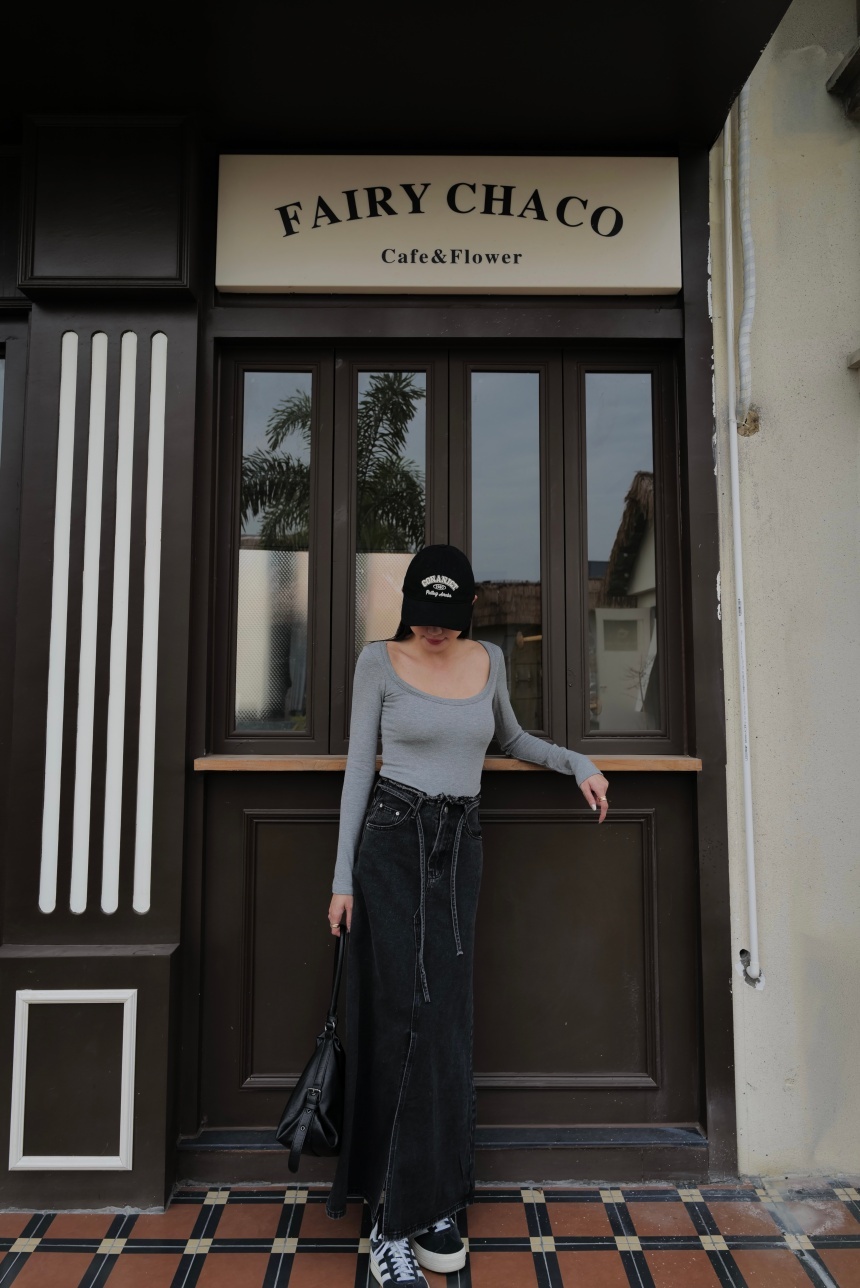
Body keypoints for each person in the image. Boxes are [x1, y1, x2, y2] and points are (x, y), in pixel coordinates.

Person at [324, 544, 610, 1287]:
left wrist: (577, 763)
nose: (434, 631)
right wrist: (342, 879)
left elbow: (510, 739)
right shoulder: (378, 663)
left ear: (469, 610)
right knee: (400, 1022)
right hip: (392, 845)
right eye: (423, 616)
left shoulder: (489, 659)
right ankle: (390, 1219)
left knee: (445, 1022)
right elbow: (358, 769)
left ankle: (434, 1201)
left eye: (446, 619)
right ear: (408, 608)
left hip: (460, 849)